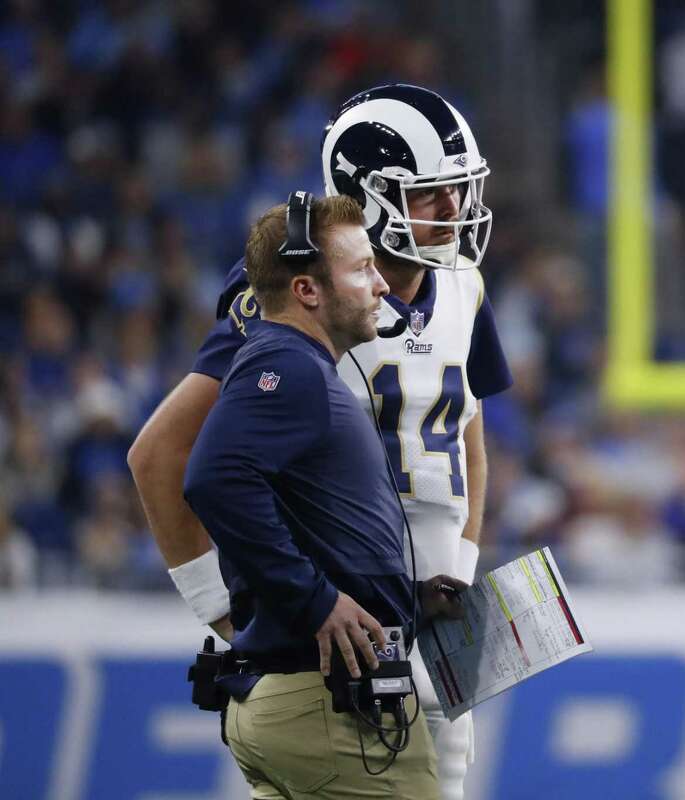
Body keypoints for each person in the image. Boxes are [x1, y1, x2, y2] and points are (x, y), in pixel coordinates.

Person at [128, 84, 511, 800]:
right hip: (338, 643)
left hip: (430, 624)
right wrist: (224, 607)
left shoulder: (464, 285)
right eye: (431, 195)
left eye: (458, 190)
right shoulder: (295, 291)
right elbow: (164, 454)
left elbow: (470, 440)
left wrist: (457, 563)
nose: (454, 211)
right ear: (370, 194)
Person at [184, 192, 467, 798]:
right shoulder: (288, 367)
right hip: (332, 711)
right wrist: (314, 603)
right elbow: (213, 478)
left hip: (307, 702)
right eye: (362, 269)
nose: (381, 287)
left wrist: (408, 602)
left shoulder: (298, 366)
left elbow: (309, 522)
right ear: (309, 291)